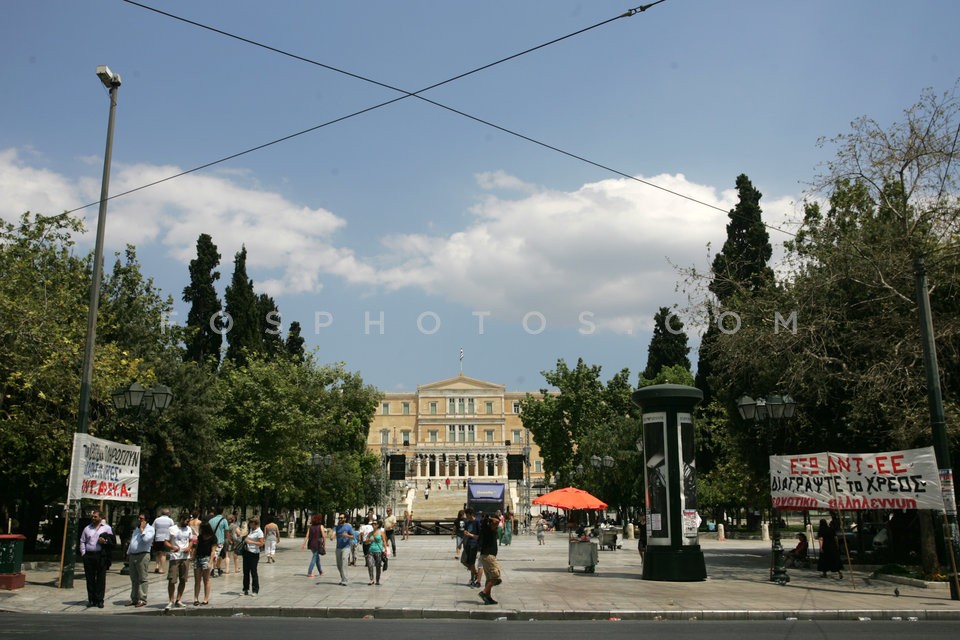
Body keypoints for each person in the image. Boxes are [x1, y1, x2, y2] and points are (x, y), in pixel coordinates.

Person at [79, 509, 114, 608]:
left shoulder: (107, 528)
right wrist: (83, 553)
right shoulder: (87, 528)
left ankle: (100, 600)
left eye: (95, 516)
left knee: (100, 579)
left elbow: (112, 542)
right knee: (90, 579)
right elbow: (82, 541)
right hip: (89, 555)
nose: (93, 518)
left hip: (101, 555)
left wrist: (105, 541)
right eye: (92, 516)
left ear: (101, 518)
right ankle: (91, 599)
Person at [164, 512, 193, 610]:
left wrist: (189, 547)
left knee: (183, 579)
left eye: (188, 521)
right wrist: (172, 547)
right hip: (175, 557)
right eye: (186, 520)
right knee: (172, 579)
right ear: (181, 519)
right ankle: (171, 600)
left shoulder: (189, 529)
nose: (187, 522)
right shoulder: (172, 529)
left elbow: (191, 540)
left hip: (185, 557)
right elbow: (165, 541)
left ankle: (178, 599)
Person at [125, 512, 154, 607]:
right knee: (134, 578)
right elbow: (133, 541)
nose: (139, 520)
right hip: (133, 555)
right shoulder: (136, 530)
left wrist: (142, 530)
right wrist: (128, 553)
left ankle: (142, 599)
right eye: (138, 518)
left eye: (141, 519)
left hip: (143, 555)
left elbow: (146, 540)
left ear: (146, 520)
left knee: (142, 578)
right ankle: (134, 598)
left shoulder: (150, 529)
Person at [477, 512, 502, 605]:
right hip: (489, 556)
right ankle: (483, 593)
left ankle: (488, 597)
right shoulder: (488, 527)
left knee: (489, 578)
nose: (498, 523)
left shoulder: (485, 527)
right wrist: (493, 519)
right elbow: (494, 522)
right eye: (497, 522)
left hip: (485, 556)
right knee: (496, 576)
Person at [192, 521, 216, 606]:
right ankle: (196, 598)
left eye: (200, 528)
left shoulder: (212, 537)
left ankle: (206, 599)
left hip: (207, 557)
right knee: (197, 579)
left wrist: (210, 562)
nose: (199, 530)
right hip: (198, 557)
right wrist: (193, 557)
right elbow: (197, 546)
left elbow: (213, 551)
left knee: (206, 579)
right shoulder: (200, 537)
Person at [460, 508, 481, 588]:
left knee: (471, 563)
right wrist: (461, 543)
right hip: (467, 544)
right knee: (464, 561)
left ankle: (473, 578)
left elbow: (479, 536)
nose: (466, 516)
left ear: (470, 514)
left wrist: (470, 535)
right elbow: (465, 533)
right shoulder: (467, 522)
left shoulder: (477, 522)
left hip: (474, 545)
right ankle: (476, 574)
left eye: (467, 514)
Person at [334, 513, 356, 586]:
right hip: (338, 548)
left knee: (344, 562)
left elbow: (353, 536)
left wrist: (347, 535)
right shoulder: (337, 527)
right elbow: (334, 532)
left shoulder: (348, 527)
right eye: (339, 518)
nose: (340, 519)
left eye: (341, 518)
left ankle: (345, 580)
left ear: (345, 519)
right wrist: (331, 536)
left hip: (346, 547)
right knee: (339, 565)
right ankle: (343, 578)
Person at [151, 508, 174, 574]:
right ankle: (161, 569)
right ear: (168, 513)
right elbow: (173, 529)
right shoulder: (170, 520)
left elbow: (153, 529)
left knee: (158, 553)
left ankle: (157, 566)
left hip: (157, 538)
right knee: (163, 554)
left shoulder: (157, 520)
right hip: (166, 539)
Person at [207, 509, 229, 577]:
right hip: (220, 541)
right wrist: (228, 539)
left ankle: (218, 569)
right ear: (222, 512)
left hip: (212, 541)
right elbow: (226, 531)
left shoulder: (211, 520)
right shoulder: (224, 520)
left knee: (216, 554)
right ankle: (212, 571)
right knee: (217, 555)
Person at [366, 521, 386, 585]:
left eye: (375, 523)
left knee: (378, 566)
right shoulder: (370, 533)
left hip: (378, 551)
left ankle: (377, 580)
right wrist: (369, 540)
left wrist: (385, 550)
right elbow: (365, 542)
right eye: (372, 524)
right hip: (370, 551)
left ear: (378, 525)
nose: (373, 524)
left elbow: (384, 541)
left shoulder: (381, 532)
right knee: (370, 565)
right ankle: (371, 579)